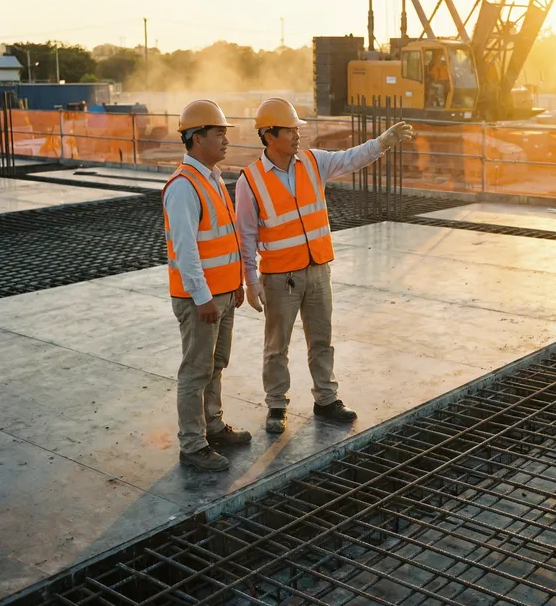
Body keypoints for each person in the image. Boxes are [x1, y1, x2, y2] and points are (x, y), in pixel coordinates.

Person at [235, 97, 412, 434]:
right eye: (290, 130)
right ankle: (276, 404)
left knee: (322, 339)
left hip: (318, 270)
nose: (298, 135)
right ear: (269, 135)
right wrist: (250, 280)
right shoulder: (251, 180)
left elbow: (351, 158)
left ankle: (326, 399)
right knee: (277, 345)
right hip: (279, 277)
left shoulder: (313, 162)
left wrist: (382, 142)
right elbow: (245, 233)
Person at [162, 99, 250, 472]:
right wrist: (203, 297)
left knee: (216, 364)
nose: (225, 140)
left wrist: (236, 285)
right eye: (219, 133)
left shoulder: (211, 178)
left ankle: (212, 426)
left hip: (223, 294)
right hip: (202, 300)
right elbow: (186, 251)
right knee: (196, 370)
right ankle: (193, 444)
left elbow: (222, 240)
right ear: (197, 138)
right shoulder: (184, 187)